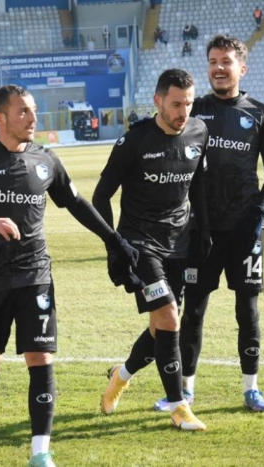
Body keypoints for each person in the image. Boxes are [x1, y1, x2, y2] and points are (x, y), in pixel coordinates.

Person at [0, 84, 138, 467]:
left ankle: (40, 452)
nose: (32, 117)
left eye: (33, 110)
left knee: (40, 356)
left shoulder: (45, 159)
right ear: (1, 118)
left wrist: (114, 240)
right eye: (23, 111)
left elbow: (75, 202)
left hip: (34, 273)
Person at [152, 35, 264, 414]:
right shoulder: (195, 111)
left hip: (246, 230)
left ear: (242, 68)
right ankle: (185, 390)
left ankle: (251, 389)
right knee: (193, 309)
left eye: (226, 61)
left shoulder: (261, 113)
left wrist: (258, 214)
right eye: (212, 61)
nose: (218, 68)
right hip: (200, 230)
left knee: (247, 309)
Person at [95, 69, 209, 431]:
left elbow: (198, 186)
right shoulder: (135, 141)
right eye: (176, 104)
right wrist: (114, 245)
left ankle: (121, 375)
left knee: (161, 329)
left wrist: (204, 231)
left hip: (179, 243)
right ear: (158, 101)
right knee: (171, 318)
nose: (183, 112)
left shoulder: (199, 132)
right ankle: (178, 406)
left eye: (188, 103)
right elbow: (101, 196)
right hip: (140, 244)